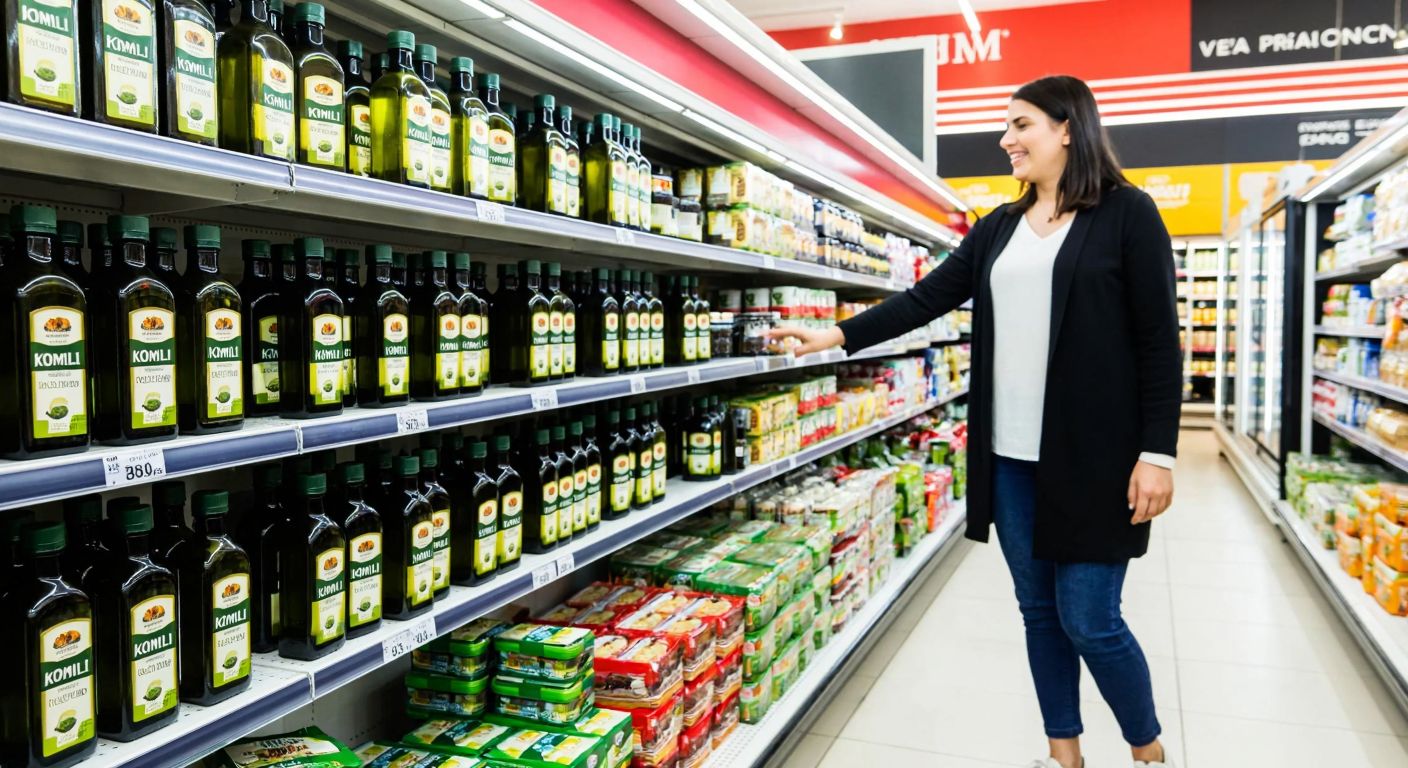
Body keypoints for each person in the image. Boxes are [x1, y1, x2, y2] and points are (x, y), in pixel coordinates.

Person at [767, 75, 1180, 768]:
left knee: (1091, 618)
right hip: (1009, 456)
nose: (1005, 138)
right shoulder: (995, 228)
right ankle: (1064, 750)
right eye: (1007, 126)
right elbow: (924, 300)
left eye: (1020, 125)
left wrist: (1158, 453)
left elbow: (1157, 344)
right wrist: (836, 336)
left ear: (1067, 128)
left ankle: (1146, 747)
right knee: (1039, 612)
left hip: (1098, 458)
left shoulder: (1128, 214)